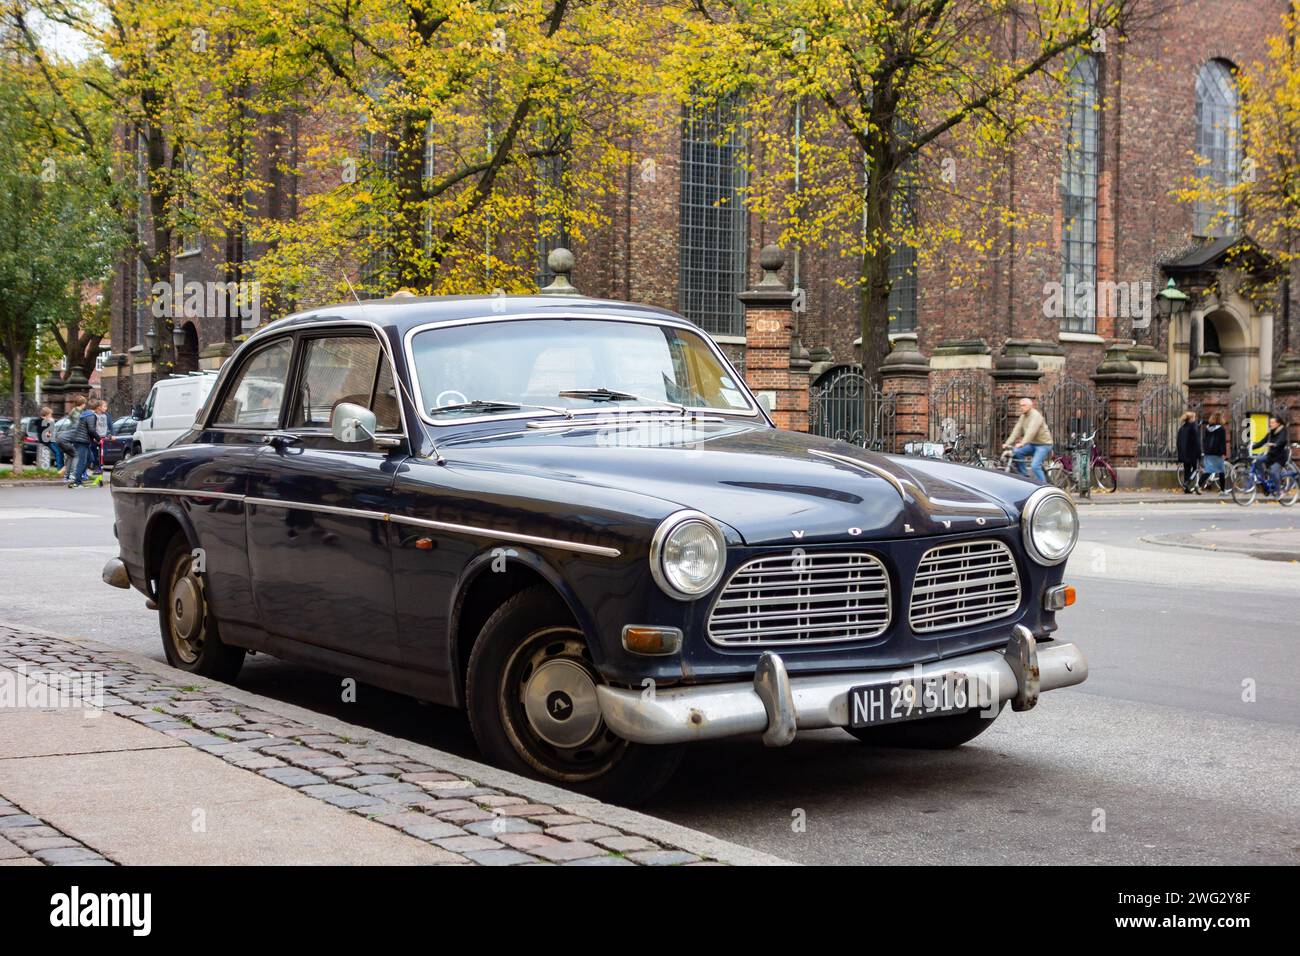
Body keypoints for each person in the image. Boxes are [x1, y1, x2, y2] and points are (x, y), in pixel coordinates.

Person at [1004, 397, 1054, 483]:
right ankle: (1024, 476)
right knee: (1016, 452)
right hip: (1032, 444)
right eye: (1020, 406)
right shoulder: (1023, 416)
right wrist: (1007, 443)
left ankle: (1044, 486)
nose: (1021, 407)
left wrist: (1022, 443)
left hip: (1044, 444)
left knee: (1035, 465)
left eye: (1024, 405)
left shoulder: (1036, 416)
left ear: (1030, 406)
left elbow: (1031, 432)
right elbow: (1016, 431)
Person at [1251, 414, 1290, 497]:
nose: (1270, 424)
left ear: (1278, 423)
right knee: (1257, 461)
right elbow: (1263, 441)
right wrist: (1252, 447)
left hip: (1279, 457)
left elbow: (1281, 441)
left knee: (1273, 471)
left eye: (1272, 422)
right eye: (1270, 422)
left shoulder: (1283, 431)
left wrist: (1275, 444)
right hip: (1271, 455)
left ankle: (1280, 491)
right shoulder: (1270, 432)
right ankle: (1263, 481)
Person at [67, 396, 101, 488]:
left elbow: (87, 429)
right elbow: (91, 430)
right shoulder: (91, 415)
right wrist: (98, 439)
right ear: (97, 408)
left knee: (90, 459)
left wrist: (93, 438)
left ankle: (78, 477)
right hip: (81, 441)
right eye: (100, 407)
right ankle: (77, 482)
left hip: (81, 440)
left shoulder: (86, 413)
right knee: (82, 461)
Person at [1176, 410, 1201, 493]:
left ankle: (1186, 489)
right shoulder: (1193, 428)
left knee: (1187, 471)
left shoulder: (1181, 428)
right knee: (1195, 469)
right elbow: (1197, 442)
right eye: (1194, 418)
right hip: (1192, 453)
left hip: (1184, 453)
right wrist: (1199, 453)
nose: (1195, 419)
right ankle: (1187, 482)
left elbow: (1178, 442)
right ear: (1190, 419)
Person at [1202, 412, 1227, 493]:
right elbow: (1222, 442)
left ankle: (1198, 485)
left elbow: (1204, 440)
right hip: (1217, 453)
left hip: (1208, 452)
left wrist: (1205, 450)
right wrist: (1224, 453)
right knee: (1221, 471)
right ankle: (1222, 491)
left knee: (1208, 470)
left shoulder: (1207, 428)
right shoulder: (1221, 429)